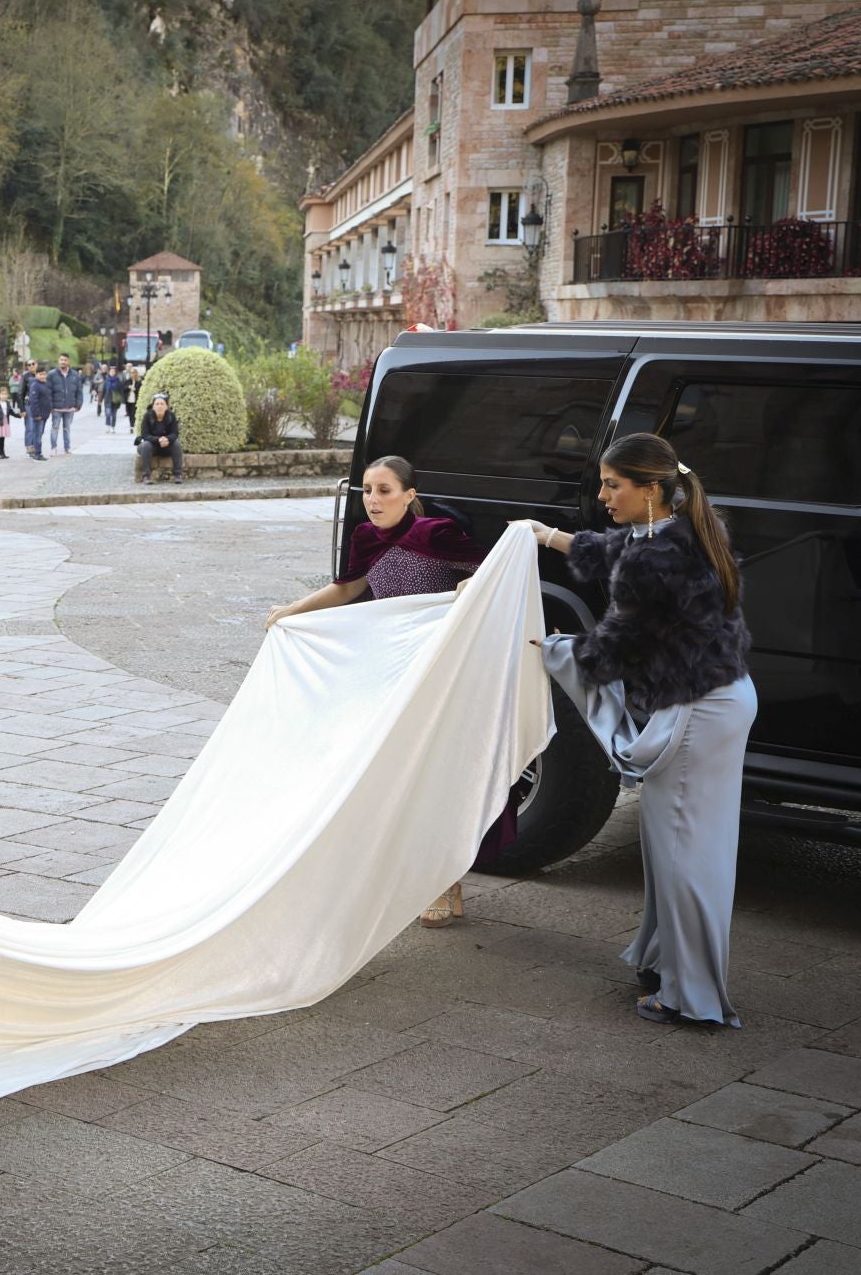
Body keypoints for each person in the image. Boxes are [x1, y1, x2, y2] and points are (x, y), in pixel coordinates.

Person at [520, 434, 754, 1027]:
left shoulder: (655, 556)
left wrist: (545, 649)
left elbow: (613, 651)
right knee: (682, 847)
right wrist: (548, 536)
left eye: (612, 484)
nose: (601, 495)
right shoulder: (688, 528)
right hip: (725, 699)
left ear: (650, 489)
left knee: (683, 853)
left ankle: (690, 997)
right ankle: (662, 962)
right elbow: (611, 549)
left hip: (697, 709)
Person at [264, 455, 499, 926]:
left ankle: (445, 880)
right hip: (389, 669)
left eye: (385, 490)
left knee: (433, 774)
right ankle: (397, 874)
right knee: (389, 774)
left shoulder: (435, 533)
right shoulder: (365, 537)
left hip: (438, 668)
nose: (373, 500)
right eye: (368, 490)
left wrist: (468, 587)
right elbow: (347, 590)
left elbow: (493, 572)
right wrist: (292, 610)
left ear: (410, 495)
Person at [136, 392, 184, 485]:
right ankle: (147, 475)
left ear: (166, 406)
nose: (159, 406)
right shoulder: (147, 416)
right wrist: (158, 439)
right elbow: (145, 435)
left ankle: (178, 474)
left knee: (176, 444)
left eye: (162, 404)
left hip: (166, 445)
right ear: (153, 406)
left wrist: (167, 439)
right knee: (145, 445)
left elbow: (175, 433)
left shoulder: (171, 416)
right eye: (157, 404)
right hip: (151, 446)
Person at [47, 353, 83, 455]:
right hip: (56, 408)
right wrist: (50, 406)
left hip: (70, 407)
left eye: (65, 360)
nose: (63, 362)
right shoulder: (52, 374)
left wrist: (78, 404)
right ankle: (53, 448)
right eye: (61, 360)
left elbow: (79, 391)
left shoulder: (75, 374)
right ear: (58, 361)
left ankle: (67, 447)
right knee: (55, 428)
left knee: (67, 429)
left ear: (68, 361)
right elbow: (48, 391)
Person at [24, 364, 53, 461]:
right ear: (36, 375)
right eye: (40, 374)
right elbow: (33, 401)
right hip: (38, 416)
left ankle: (37, 452)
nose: (43, 376)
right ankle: (37, 453)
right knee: (37, 435)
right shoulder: (35, 385)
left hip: (44, 415)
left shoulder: (45, 384)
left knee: (40, 434)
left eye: (44, 374)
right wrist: (36, 415)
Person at [103, 365, 123, 432]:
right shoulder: (106, 380)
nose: (112, 372)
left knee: (114, 415)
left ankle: (113, 427)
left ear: (115, 372)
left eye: (113, 371)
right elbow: (103, 390)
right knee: (108, 413)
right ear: (109, 372)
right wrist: (100, 400)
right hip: (108, 399)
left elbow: (121, 390)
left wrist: (122, 399)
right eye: (111, 371)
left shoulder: (118, 380)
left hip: (115, 400)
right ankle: (107, 426)